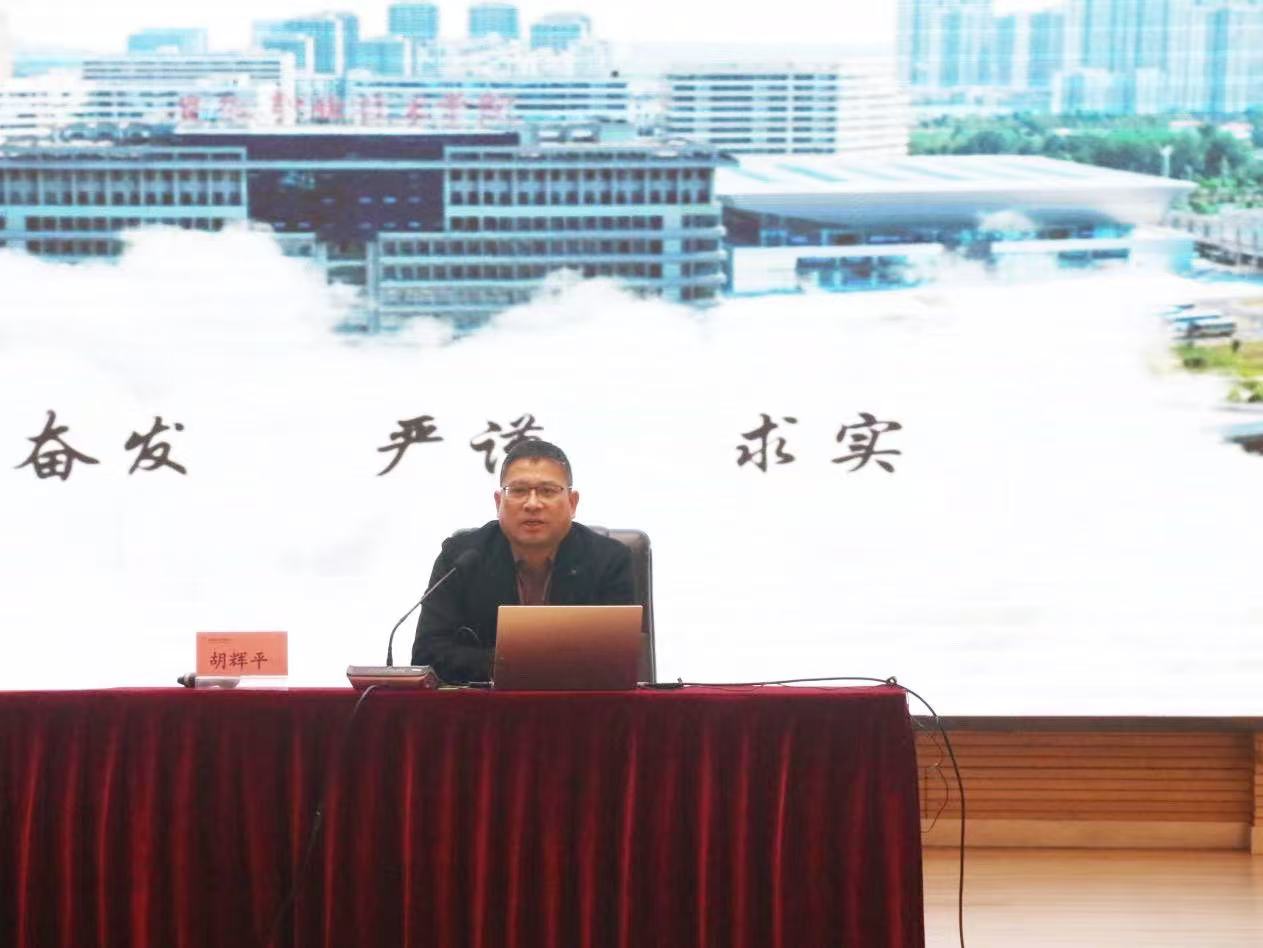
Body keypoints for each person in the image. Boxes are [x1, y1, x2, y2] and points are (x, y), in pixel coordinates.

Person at [410, 439, 634, 683]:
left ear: (572, 503)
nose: (532, 504)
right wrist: (501, 664)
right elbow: (427, 654)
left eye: (548, 491)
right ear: (499, 502)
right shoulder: (460, 557)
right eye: (518, 491)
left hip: (580, 702)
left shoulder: (609, 561)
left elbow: (619, 659)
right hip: (487, 703)